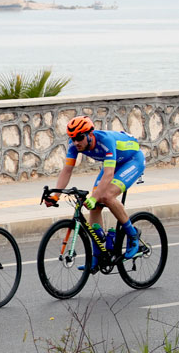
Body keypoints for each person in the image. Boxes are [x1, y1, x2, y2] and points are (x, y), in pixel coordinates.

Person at [44, 115, 144, 270]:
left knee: (105, 196)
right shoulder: (74, 145)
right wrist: (55, 195)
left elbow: (109, 174)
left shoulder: (106, 141)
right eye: (72, 138)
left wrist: (94, 197)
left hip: (132, 161)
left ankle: (132, 234)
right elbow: (67, 171)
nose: (76, 142)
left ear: (90, 135)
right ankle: (98, 256)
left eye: (79, 137)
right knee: (94, 205)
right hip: (113, 164)